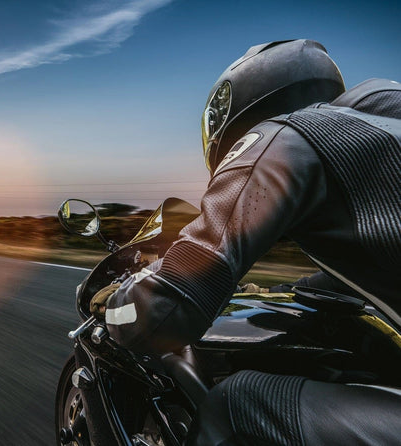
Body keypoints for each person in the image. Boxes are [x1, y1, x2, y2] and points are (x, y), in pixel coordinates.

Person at [90, 39, 401, 444]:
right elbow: (363, 275)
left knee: (234, 406)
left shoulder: (283, 135)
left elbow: (170, 306)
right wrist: (284, 292)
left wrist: (113, 306)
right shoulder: (379, 120)